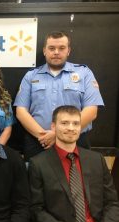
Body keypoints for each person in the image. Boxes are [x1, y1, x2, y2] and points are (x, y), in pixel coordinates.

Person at [13, 31, 104, 161]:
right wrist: (44, 136)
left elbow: (91, 111)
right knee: (36, 180)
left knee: (75, 180)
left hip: (75, 141)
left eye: (61, 48)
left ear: (68, 51)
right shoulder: (31, 76)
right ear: (44, 51)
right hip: (38, 143)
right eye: (51, 48)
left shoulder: (84, 73)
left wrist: (56, 135)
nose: (56, 52)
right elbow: (21, 112)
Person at [28, 105, 119, 222]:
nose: (71, 128)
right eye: (65, 123)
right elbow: (36, 210)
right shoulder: (38, 164)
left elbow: (112, 202)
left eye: (76, 123)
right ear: (53, 127)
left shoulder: (97, 160)